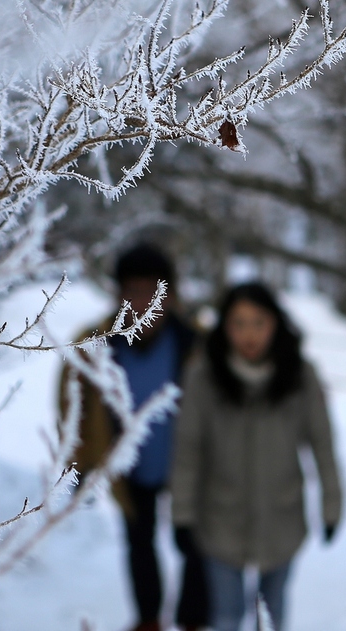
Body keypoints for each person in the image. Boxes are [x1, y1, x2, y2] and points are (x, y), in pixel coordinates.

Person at [170, 282, 343, 631]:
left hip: (282, 519)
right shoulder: (203, 375)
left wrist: (331, 505)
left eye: (258, 322)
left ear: (275, 323)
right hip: (219, 520)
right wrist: (182, 515)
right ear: (225, 326)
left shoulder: (300, 374)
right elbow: (188, 449)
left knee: (273, 614)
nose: (249, 334)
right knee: (226, 616)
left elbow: (322, 443)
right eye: (239, 323)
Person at [59, 242, 209, 631]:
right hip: (129, 467)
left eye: (152, 291)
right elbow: (74, 409)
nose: (142, 301)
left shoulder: (199, 344)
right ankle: (148, 620)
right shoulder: (94, 344)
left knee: (195, 544)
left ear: (171, 295)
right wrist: (78, 467)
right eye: (132, 290)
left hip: (189, 468)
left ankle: (193, 621)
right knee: (139, 543)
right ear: (118, 293)